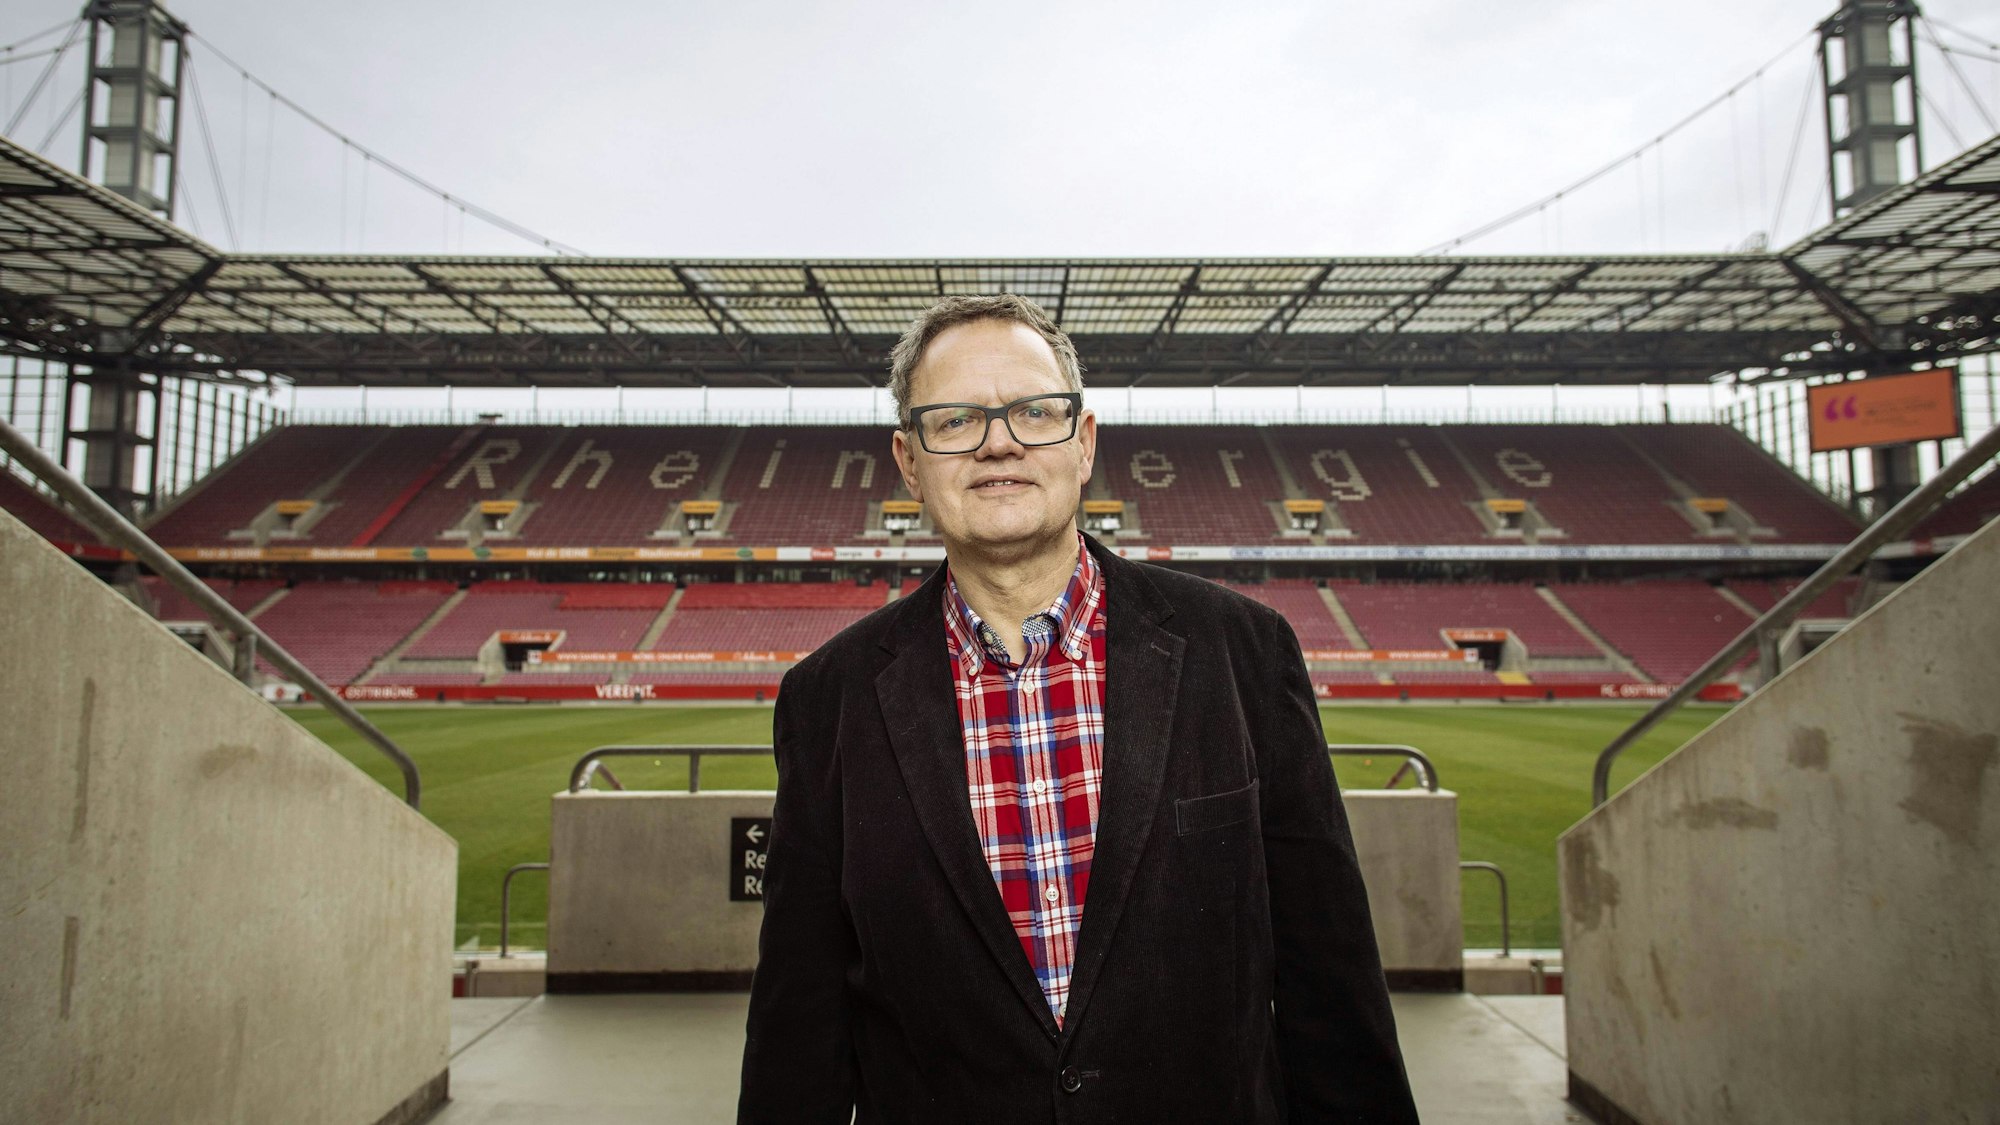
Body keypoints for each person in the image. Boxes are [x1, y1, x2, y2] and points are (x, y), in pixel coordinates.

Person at [738, 294, 1417, 1123]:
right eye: (953, 419)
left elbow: (1332, 983)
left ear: (1084, 441)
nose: (999, 441)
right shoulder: (826, 701)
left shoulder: (1243, 652)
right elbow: (797, 1028)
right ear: (909, 460)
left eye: (1034, 411)